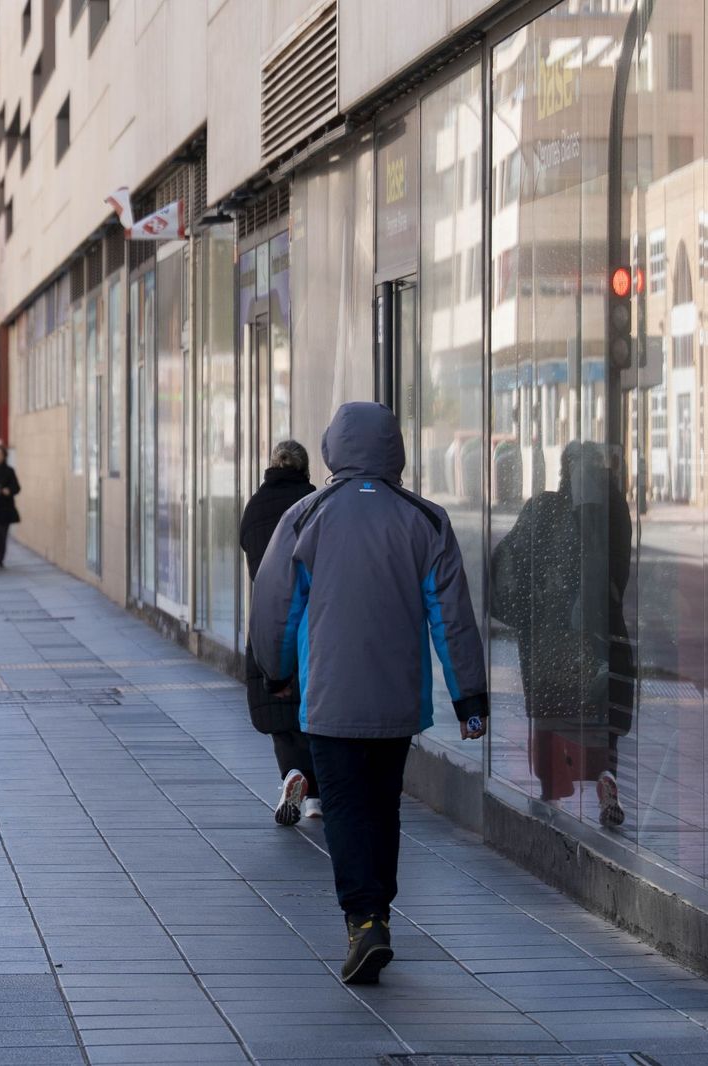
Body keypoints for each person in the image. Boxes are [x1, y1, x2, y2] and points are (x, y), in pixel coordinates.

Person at [250, 402, 488, 986]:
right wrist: (469, 699)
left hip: (329, 699)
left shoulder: (306, 517)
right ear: (393, 449)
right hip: (396, 702)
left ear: (333, 447)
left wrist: (277, 672)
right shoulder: (426, 520)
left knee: (344, 809)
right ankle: (378, 911)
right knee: (383, 807)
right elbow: (452, 617)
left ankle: (364, 921)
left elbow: (275, 605)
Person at [490, 442, 632, 825]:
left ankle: (552, 787)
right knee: (600, 715)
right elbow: (617, 569)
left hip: (551, 637)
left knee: (552, 713)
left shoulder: (544, 508)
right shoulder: (614, 508)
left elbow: (512, 563)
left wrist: (526, 608)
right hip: (598, 633)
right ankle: (605, 776)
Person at [239, 440, 320, 825]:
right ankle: (316, 797)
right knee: (313, 711)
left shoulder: (255, 506)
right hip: (312, 620)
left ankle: (291, 775)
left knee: (278, 713)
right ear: (305, 468)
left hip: (266, 616)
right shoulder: (315, 503)